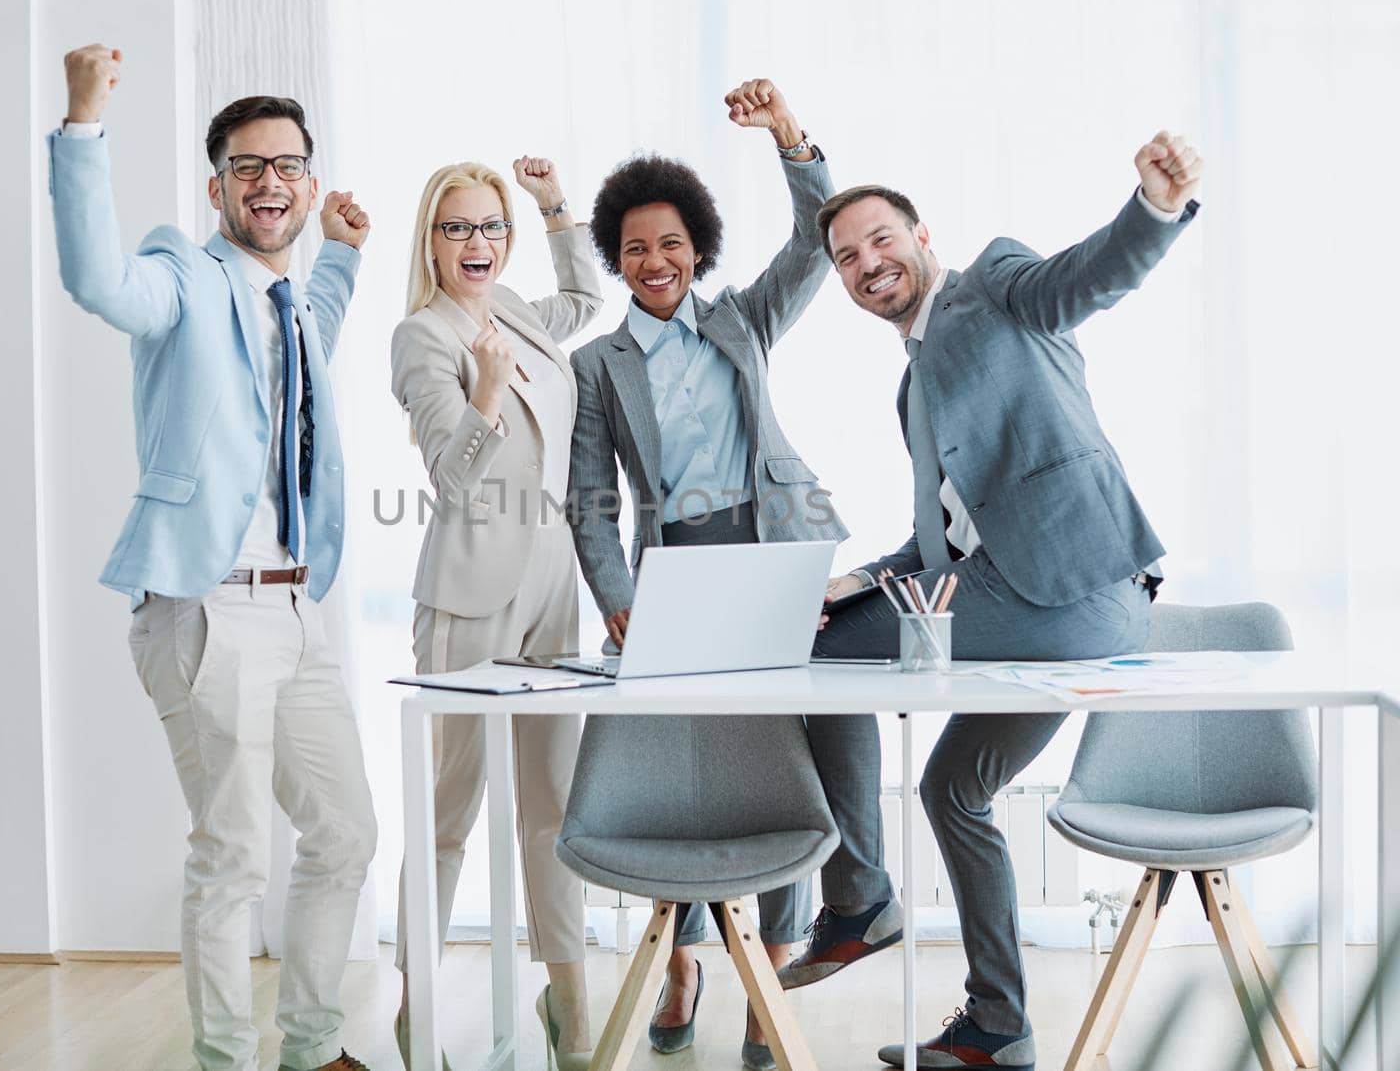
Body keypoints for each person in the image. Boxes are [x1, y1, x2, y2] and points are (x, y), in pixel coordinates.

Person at [804, 132, 1203, 1070]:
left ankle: (857, 895)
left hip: (1074, 589)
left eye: (879, 240)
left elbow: (1085, 279)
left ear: (921, 235)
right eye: (847, 258)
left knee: (817, 664)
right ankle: (999, 1026)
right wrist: (852, 584)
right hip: (1020, 600)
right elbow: (932, 548)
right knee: (954, 789)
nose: (868, 264)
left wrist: (1149, 209)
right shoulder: (913, 390)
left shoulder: (993, 284)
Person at [48, 44, 378, 1071]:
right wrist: (84, 121)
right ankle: (225, 1061)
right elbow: (99, 282)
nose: (267, 179)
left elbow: (308, 325)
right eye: (246, 166)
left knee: (345, 836)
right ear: (216, 186)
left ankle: (313, 1045)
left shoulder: (288, 301)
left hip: (295, 612)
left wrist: (345, 253)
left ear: (309, 184)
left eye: (285, 165)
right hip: (203, 603)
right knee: (233, 855)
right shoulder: (180, 277)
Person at [567, 79, 899, 1071]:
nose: (654, 260)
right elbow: (590, 499)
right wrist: (618, 603)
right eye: (633, 247)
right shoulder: (597, 366)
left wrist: (790, 136)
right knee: (686, 766)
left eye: (670, 242)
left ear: (696, 248)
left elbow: (815, 238)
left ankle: (779, 966)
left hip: (769, 552)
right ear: (615, 261)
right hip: (670, 580)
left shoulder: (742, 322)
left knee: (783, 753)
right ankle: (683, 958)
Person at [389, 157, 604, 1070]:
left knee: (555, 804)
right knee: (448, 808)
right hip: (472, 586)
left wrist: (556, 205)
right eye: (457, 229)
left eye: (490, 227)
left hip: (555, 580)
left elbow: (585, 296)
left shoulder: (518, 307)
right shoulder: (421, 336)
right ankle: (418, 1009)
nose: (476, 245)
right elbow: (450, 471)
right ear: (430, 243)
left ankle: (571, 1004)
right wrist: (481, 392)